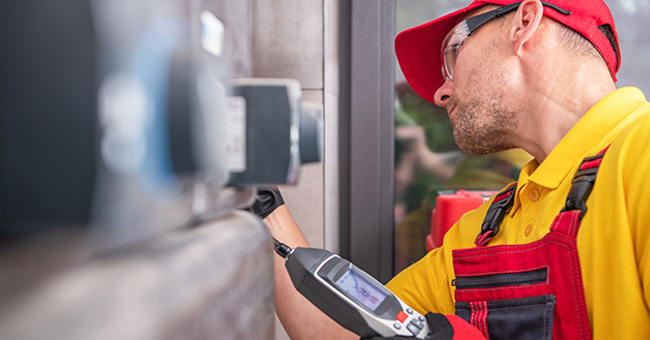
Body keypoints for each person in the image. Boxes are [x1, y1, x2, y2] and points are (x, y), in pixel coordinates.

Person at [263, 0, 650, 339]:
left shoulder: (640, 155)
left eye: (452, 53)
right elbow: (343, 331)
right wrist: (260, 200)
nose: (440, 93)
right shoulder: (484, 230)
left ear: (524, 22)